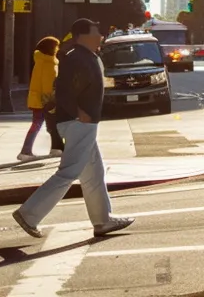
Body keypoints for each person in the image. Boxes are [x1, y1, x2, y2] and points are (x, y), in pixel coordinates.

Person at [12, 19, 133, 239]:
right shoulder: (75, 58)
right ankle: (29, 214)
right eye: (97, 32)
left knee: (94, 173)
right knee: (69, 171)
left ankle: (103, 220)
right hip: (78, 123)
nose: (101, 37)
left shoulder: (84, 57)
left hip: (82, 123)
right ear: (83, 36)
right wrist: (79, 113)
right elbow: (63, 90)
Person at [18, 37, 66, 161]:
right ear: (50, 48)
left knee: (48, 124)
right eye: (56, 46)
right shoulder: (48, 63)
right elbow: (47, 86)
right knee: (38, 124)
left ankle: (56, 148)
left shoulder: (42, 61)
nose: (58, 48)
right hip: (44, 101)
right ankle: (25, 151)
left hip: (39, 99)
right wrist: (52, 102)